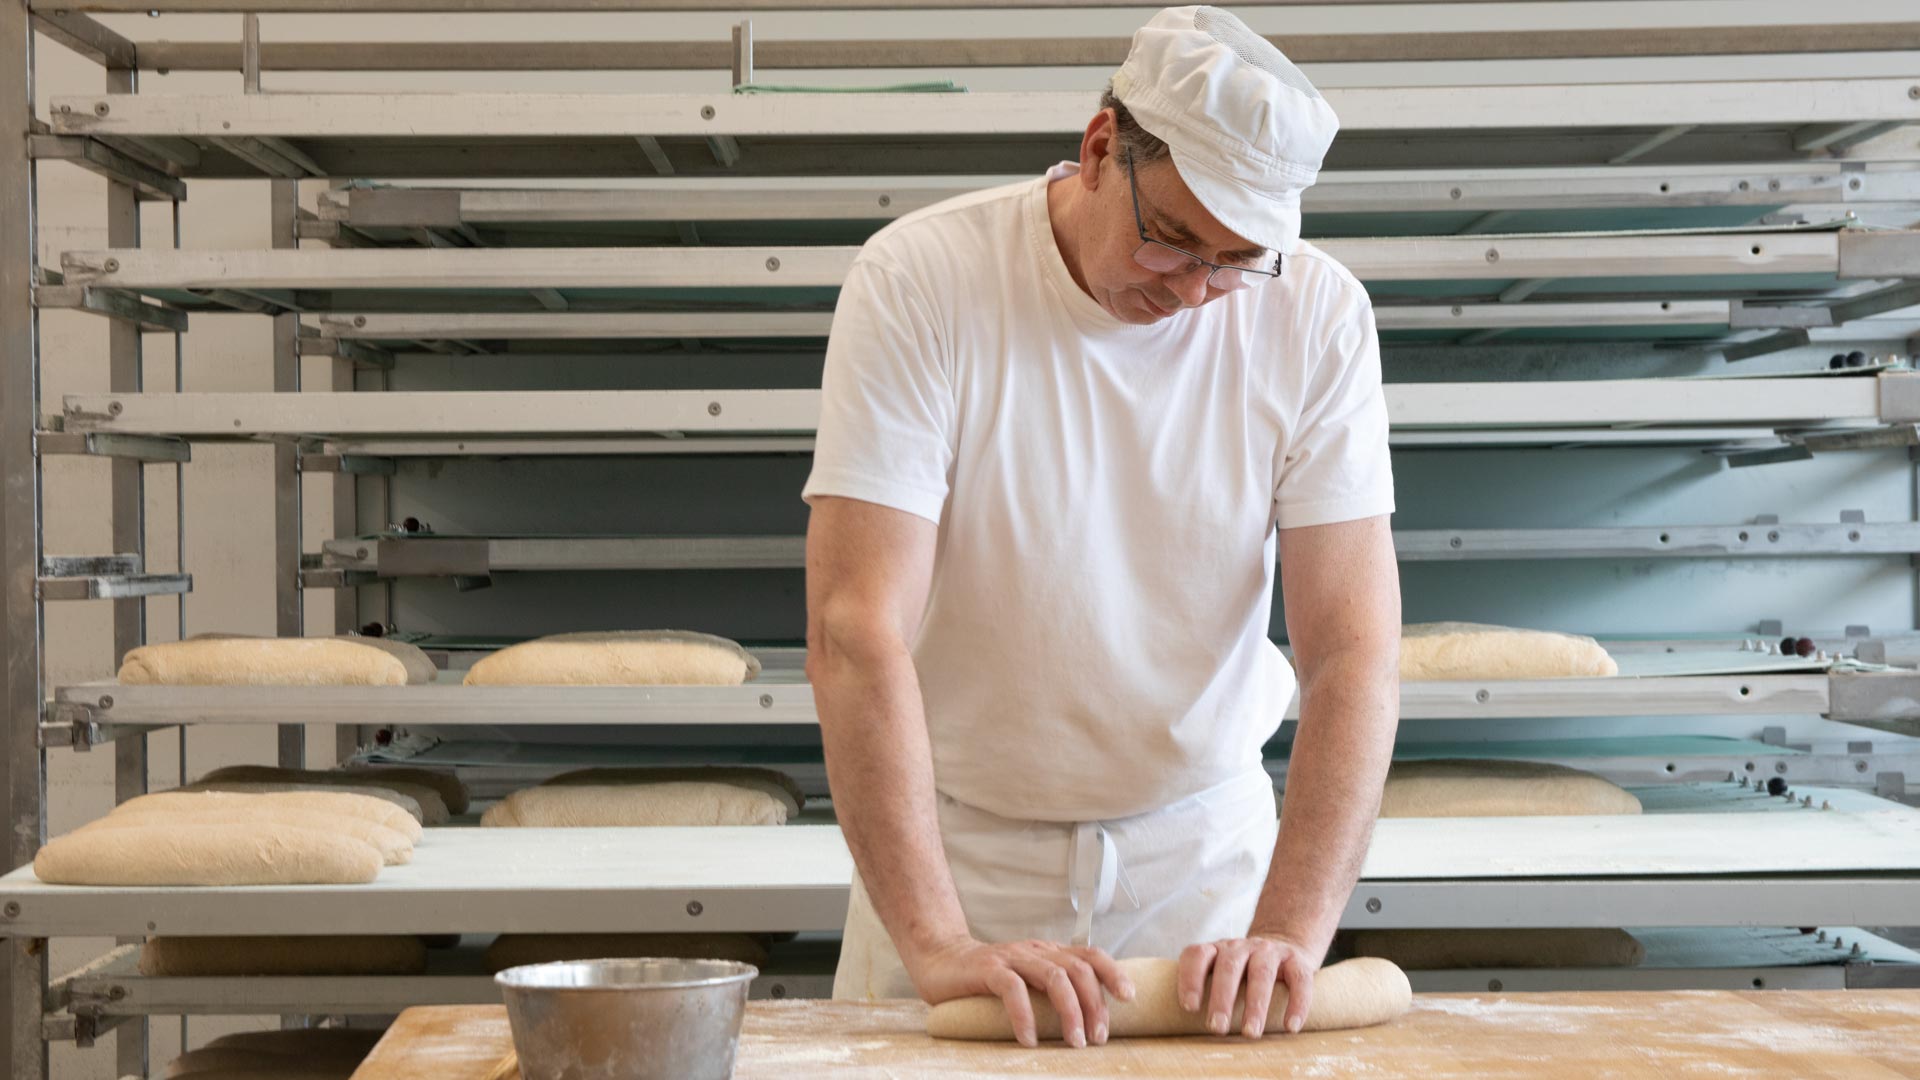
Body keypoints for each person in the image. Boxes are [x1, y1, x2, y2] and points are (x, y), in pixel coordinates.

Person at [802, 4, 1401, 1049]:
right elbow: (857, 628)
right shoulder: (923, 281)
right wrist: (938, 943)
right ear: (1097, 149)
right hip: (961, 860)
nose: (1197, 291)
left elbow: (1352, 652)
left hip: (1203, 880)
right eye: (1173, 241)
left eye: (1235, 259)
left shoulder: (1316, 314)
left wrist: (1288, 934)